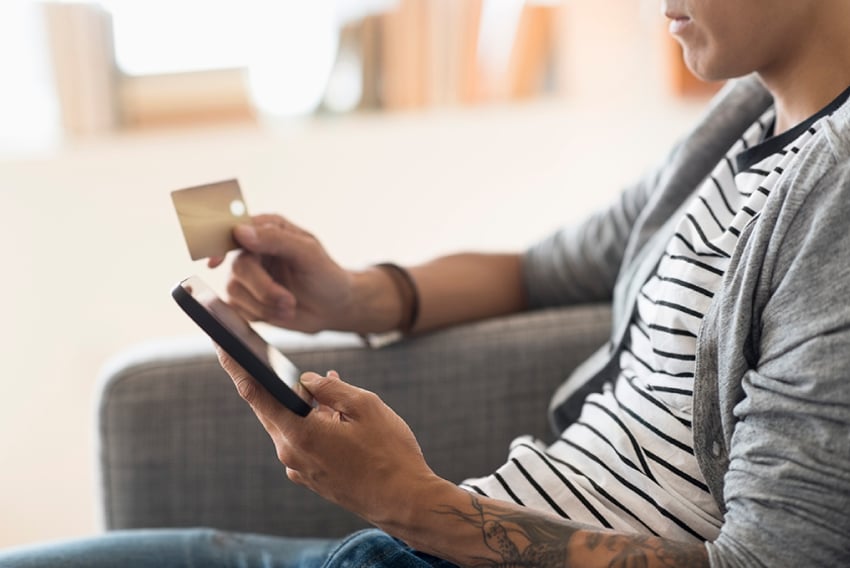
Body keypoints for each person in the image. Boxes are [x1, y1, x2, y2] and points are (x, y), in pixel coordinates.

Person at [3, 0, 850, 566]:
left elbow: (770, 562)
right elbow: (544, 268)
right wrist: (350, 295)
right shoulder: (745, 117)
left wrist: (410, 501)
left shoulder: (838, 191)